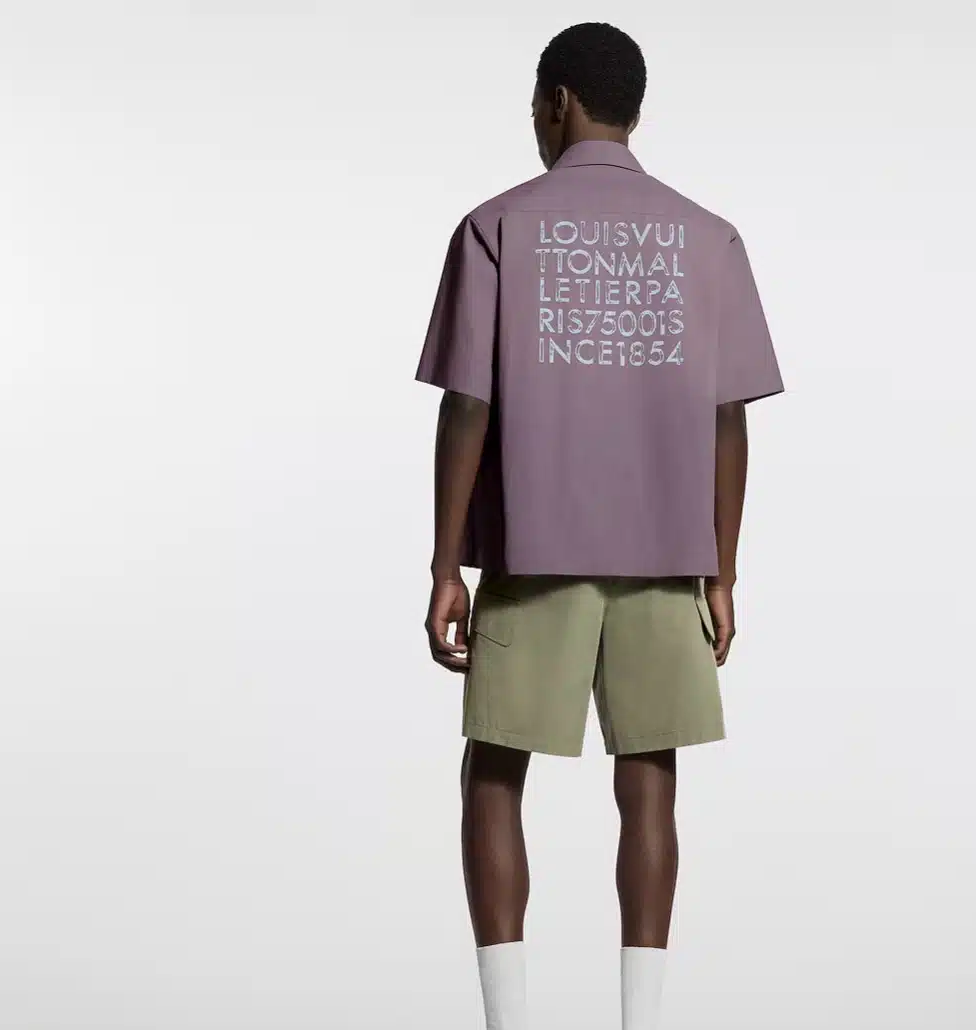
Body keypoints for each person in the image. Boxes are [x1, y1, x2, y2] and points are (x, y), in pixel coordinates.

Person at [415, 21, 783, 1030]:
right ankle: (643, 1021)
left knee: (495, 772)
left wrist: (447, 564)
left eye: (536, 108)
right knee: (650, 782)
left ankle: (508, 1020)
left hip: (533, 551)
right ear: (633, 110)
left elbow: (467, 406)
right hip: (668, 555)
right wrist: (723, 570)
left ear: (558, 102)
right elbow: (728, 418)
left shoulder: (495, 226)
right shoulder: (707, 237)